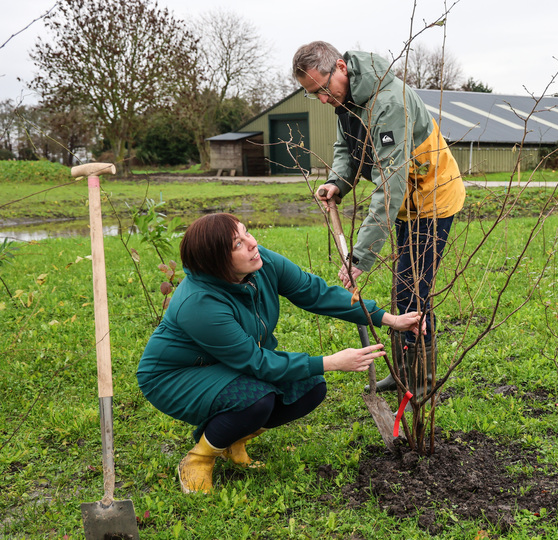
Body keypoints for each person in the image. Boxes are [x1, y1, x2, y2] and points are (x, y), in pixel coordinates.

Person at [137, 213, 423, 494]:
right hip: (174, 376)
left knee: (310, 387)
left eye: (246, 232)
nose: (252, 243)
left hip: (226, 362)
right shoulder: (199, 302)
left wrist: (389, 319)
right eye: (238, 244)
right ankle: (199, 458)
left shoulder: (261, 263)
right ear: (216, 261)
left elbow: (314, 292)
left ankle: (232, 440)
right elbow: (256, 361)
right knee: (256, 401)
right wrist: (332, 362)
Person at [292, 41, 466, 397]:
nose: (322, 99)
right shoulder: (346, 99)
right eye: (313, 94)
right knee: (403, 287)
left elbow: (390, 184)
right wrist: (337, 182)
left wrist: (361, 256)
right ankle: (402, 373)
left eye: (322, 89)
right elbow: (347, 148)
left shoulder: (387, 104)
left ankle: (421, 384)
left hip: (431, 198)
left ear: (341, 67)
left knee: (413, 291)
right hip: (406, 202)